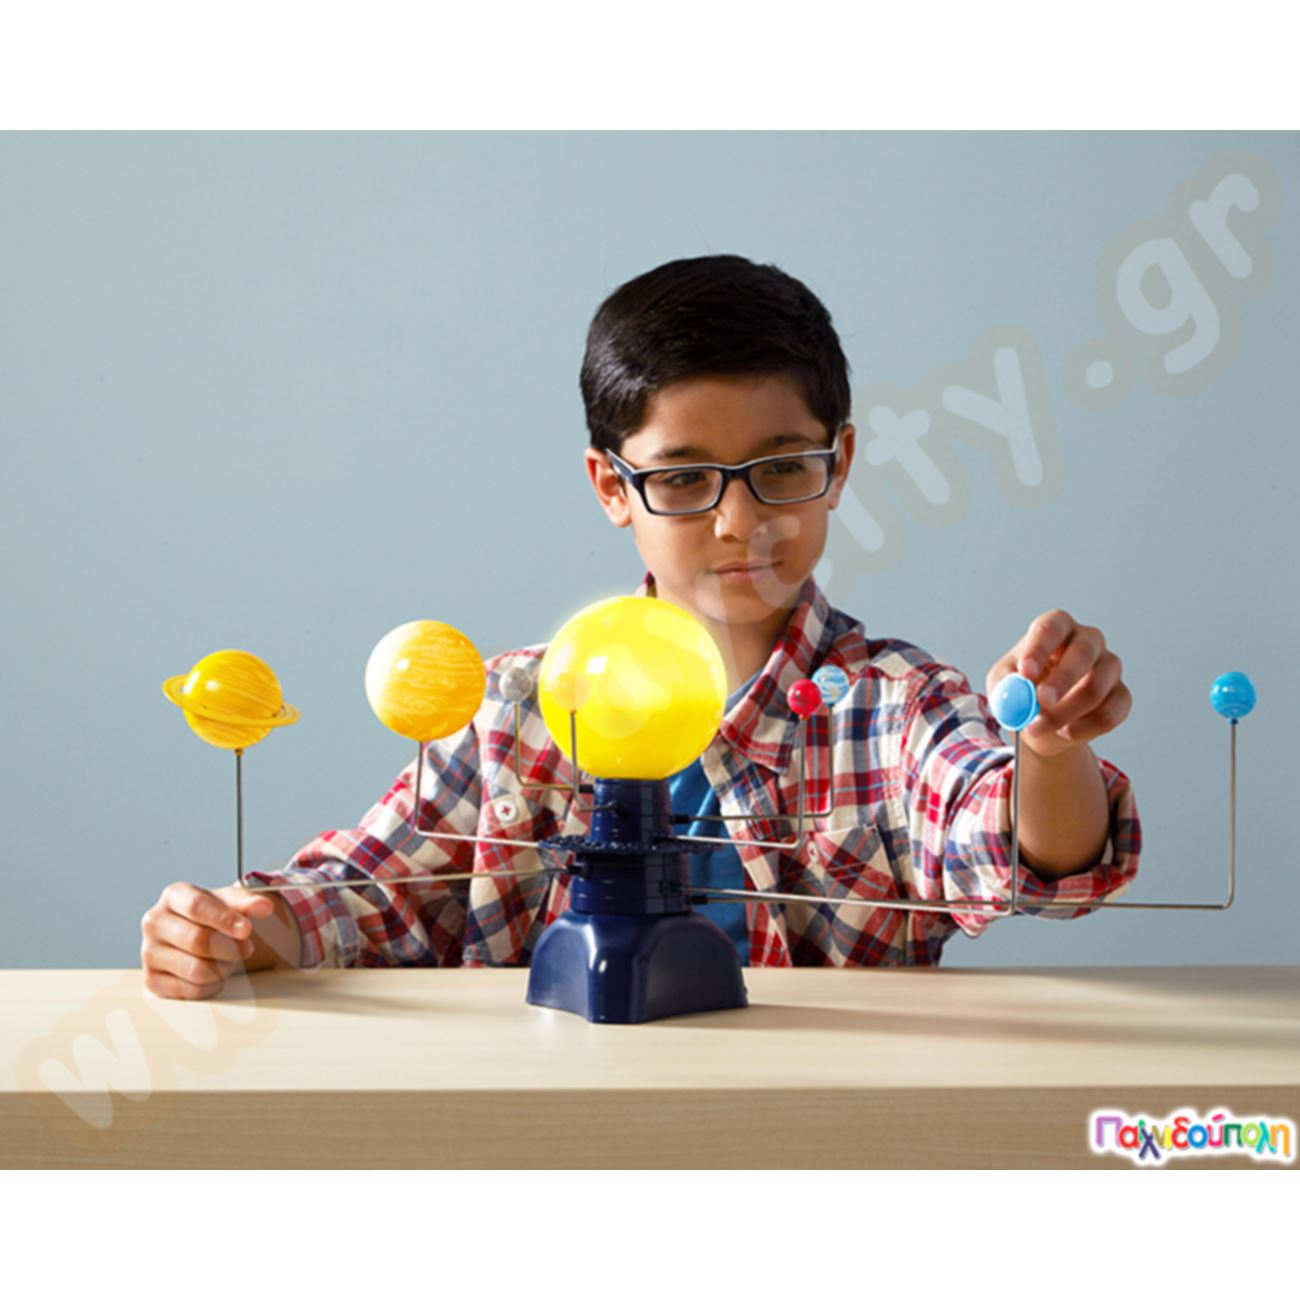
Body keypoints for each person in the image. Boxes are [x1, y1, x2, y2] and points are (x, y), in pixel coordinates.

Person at [140, 254, 1140, 1000]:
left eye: (781, 468)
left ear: (838, 463)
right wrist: (235, 930)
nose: (739, 520)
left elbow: (1023, 854)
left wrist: (1049, 751)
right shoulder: (515, 712)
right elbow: (369, 892)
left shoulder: (892, 709)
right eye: (685, 477)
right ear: (610, 486)